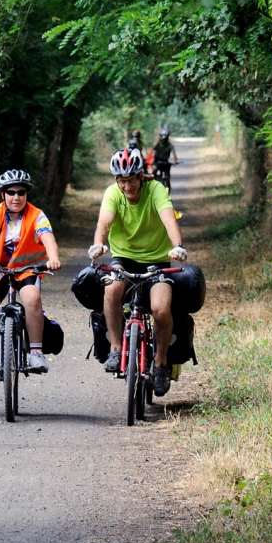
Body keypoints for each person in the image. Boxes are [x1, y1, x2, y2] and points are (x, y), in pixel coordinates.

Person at [88, 148, 187, 397]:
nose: (127, 186)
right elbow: (104, 223)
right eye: (121, 180)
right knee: (112, 289)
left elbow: (168, 220)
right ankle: (116, 348)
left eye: (132, 179)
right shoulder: (113, 194)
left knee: (160, 309)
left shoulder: (155, 190)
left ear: (141, 176)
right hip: (124, 258)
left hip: (158, 260)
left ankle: (161, 363)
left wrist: (178, 246)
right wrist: (99, 244)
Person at [0, 169, 62, 379]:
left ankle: (35, 352)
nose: (16, 197)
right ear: (3, 195)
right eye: (11, 192)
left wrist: (53, 258)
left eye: (21, 192)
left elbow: (47, 237)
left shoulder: (37, 215)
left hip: (26, 269)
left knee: (33, 299)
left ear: (27, 194)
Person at [151, 127, 178, 193]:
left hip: (165, 161)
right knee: (154, 169)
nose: (163, 140)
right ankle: (151, 181)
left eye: (165, 138)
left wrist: (175, 161)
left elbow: (174, 154)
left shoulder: (170, 145)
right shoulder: (157, 143)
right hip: (157, 160)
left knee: (167, 178)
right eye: (162, 138)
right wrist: (158, 141)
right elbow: (153, 148)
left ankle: (168, 193)